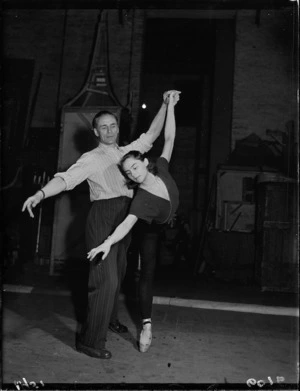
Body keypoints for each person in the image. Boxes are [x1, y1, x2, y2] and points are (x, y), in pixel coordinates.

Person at [22, 90, 179, 360]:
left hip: (127, 213)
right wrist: (40, 194)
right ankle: (90, 340)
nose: (109, 131)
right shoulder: (91, 158)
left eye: (112, 126)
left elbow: (153, 135)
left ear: (118, 128)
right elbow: (65, 179)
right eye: (103, 127)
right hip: (104, 215)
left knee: (119, 272)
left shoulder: (126, 153)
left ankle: (108, 318)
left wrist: (165, 104)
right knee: (105, 279)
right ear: (96, 132)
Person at [87, 91, 180, 353]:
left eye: (136, 168)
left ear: (145, 162)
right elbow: (127, 224)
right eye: (128, 173)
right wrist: (107, 243)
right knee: (147, 270)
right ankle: (147, 325)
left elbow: (169, 137)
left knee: (141, 269)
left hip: (169, 217)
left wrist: (170, 104)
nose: (134, 174)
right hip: (151, 225)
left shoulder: (161, 166)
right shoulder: (140, 200)